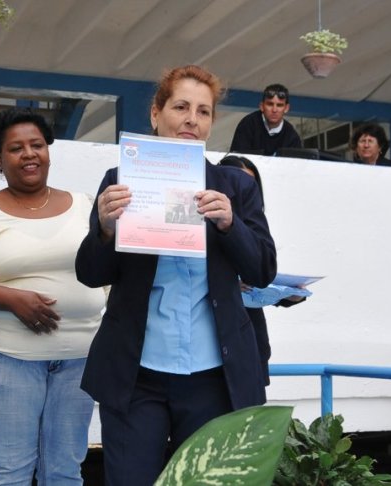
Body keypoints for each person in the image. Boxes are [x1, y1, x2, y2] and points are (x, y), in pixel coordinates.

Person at [75, 65, 277, 486]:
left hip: (212, 376)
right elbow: (90, 273)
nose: (192, 119)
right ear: (155, 113)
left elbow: (261, 270)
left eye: (203, 111)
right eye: (181, 106)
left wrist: (230, 224)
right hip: (137, 374)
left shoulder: (235, 187)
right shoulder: (120, 181)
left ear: (210, 123)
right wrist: (106, 228)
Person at [0, 107, 106, 485]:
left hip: (80, 360)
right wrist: (12, 300)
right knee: (10, 470)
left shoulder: (85, 205)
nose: (29, 154)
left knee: (65, 470)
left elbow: (107, 272)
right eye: (16, 148)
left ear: (48, 150)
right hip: (8, 360)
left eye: (37, 145)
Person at [218, 154, 306, 387]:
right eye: (238, 181)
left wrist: (288, 295)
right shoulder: (207, 223)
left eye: (252, 184)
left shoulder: (255, 229)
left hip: (253, 345)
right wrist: (227, 285)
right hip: (217, 348)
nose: (246, 189)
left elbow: (259, 279)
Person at [230, 83, 302, 156]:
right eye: (270, 104)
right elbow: (236, 161)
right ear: (261, 106)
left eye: (279, 105)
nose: (274, 110)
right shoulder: (247, 125)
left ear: (286, 108)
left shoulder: (292, 137)